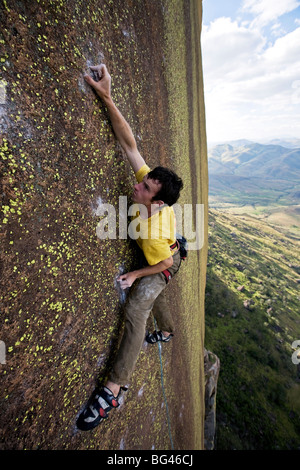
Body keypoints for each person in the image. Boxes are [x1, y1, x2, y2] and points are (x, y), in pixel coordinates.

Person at [77, 64, 183, 431]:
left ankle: (115, 389)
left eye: (146, 188)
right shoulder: (149, 189)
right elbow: (129, 144)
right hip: (163, 252)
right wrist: (106, 96)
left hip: (166, 259)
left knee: (139, 305)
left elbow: (167, 261)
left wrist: (137, 273)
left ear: (156, 203)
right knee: (154, 295)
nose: (138, 185)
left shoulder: (154, 230)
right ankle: (168, 331)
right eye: (145, 180)